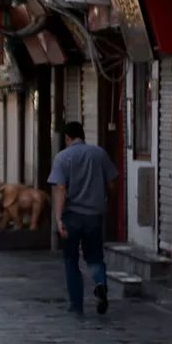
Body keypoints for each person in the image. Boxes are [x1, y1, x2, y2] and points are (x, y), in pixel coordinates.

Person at [47, 121, 118, 318]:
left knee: (71, 260)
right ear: (82, 135)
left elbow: (60, 189)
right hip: (94, 216)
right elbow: (112, 183)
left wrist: (59, 219)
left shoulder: (62, 157)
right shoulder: (99, 154)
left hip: (72, 217)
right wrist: (107, 200)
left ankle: (76, 305)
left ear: (68, 138)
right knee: (94, 257)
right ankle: (100, 284)